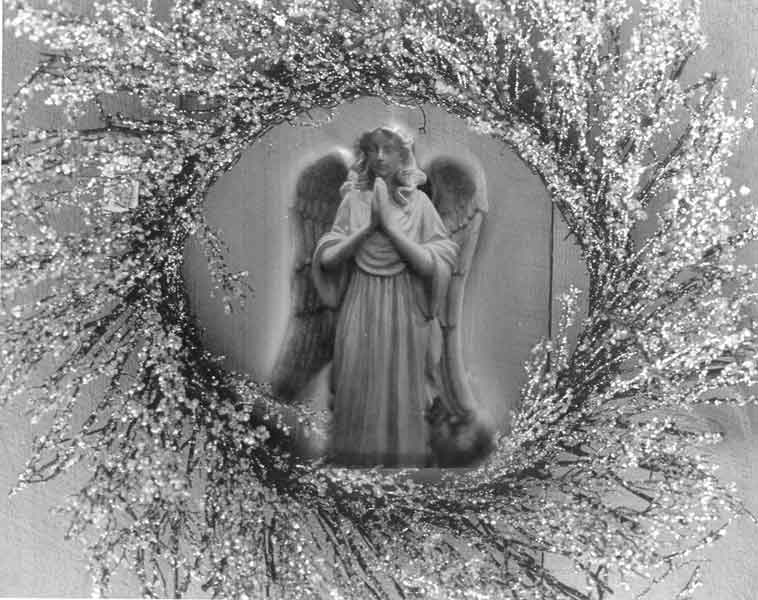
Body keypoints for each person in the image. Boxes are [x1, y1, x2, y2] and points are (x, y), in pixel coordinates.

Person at [311, 126, 459, 467]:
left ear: (403, 155)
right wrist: (367, 228)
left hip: (404, 308)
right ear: (365, 154)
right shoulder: (353, 201)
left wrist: (390, 229)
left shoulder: (420, 205)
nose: (380, 157)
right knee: (356, 381)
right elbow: (328, 259)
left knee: (400, 385)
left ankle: (402, 466)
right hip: (360, 305)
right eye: (373, 149)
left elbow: (435, 263)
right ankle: (352, 466)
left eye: (389, 149)